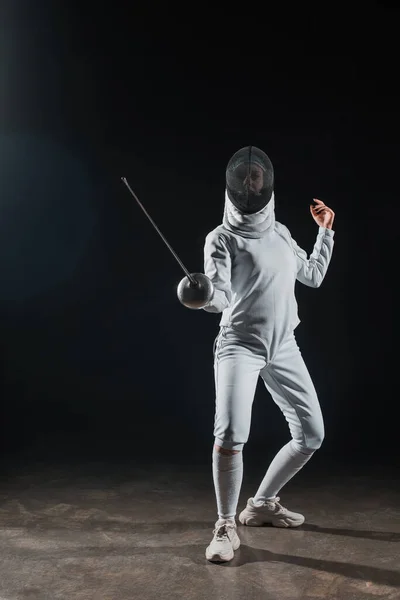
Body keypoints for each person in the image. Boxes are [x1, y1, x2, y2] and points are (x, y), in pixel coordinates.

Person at [202, 146, 335, 563]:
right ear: (233, 186)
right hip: (239, 345)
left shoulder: (279, 232)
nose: (250, 182)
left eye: (255, 176)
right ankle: (225, 524)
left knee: (311, 434)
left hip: (283, 346)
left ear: (265, 182)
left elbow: (311, 275)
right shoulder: (221, 239)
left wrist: (326, 232)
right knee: (230, 434)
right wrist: (203, 295)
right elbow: (220, 297)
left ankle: (260, 504)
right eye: (243, 177)